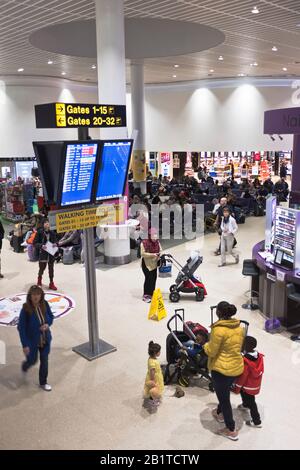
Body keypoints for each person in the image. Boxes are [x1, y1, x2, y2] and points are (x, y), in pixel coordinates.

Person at [204, 301, 244, 441]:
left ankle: (231, 429)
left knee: (224, 399)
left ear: (219, 313)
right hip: (236, 367)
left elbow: (212, 351)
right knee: (224, 393)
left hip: (221, 369)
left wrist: (205, 345)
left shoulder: (218, 330)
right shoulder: (239, 327)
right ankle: (220, 413)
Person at [18, 285, 54, 392]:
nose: (36, 297)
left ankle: (43, 382)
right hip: (32, 342)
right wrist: (25, 345)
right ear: (30, 296)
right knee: (32, 360)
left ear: (41, 295)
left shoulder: (45, 304)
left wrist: (47, 324)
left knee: (44, 360)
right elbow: (21, 328)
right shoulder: (25, 309)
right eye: (34, 294)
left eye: (38, 294)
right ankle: (25, 366)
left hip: (45, 339)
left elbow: (51, 317)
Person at [233, 336, 264, 428]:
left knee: (252, 403)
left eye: (244, 343)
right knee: (247, 397)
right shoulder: (258, 356)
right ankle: (245, 404)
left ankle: (257, 421)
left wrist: (237, 387)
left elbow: (243, 376)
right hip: (254, 384)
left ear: (248, 346)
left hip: (247, 385)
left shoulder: (246, 361)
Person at [34, 219, 58, 290]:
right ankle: (39, 280)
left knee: (51, 269)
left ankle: (51, 283)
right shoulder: (39, 232)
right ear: (43, 224)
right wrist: (41, 246)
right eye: (45, 223)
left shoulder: (52, 233)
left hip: (51, 254)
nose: (47, 224)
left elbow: (56, 241)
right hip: (43, 253)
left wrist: (55, 244)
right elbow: (35, 243)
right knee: (42, 268)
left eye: (48, 223)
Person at [141, 228, 161, 303]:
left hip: (154, 264)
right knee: (148, 278)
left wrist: (159, 254)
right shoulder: (144, 243)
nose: (155, 237)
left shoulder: (157, 242)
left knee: (154, 279)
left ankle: (152, 293)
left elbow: (160, 250)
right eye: (153, 235)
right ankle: (146, 295)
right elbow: (143, 254)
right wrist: (153, 254)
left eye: (156, 235)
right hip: (146, 264)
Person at [144, 341, 164, 410]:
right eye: (159, 352)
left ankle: (154, 397)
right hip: (155, 378)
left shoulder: (151, 358)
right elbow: (152, 371)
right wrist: (152, 380)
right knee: (154, 389)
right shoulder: (152, 362)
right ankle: (152, 400)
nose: (160, 353)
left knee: (155, 389)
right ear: (155, 353)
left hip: (156, 375)